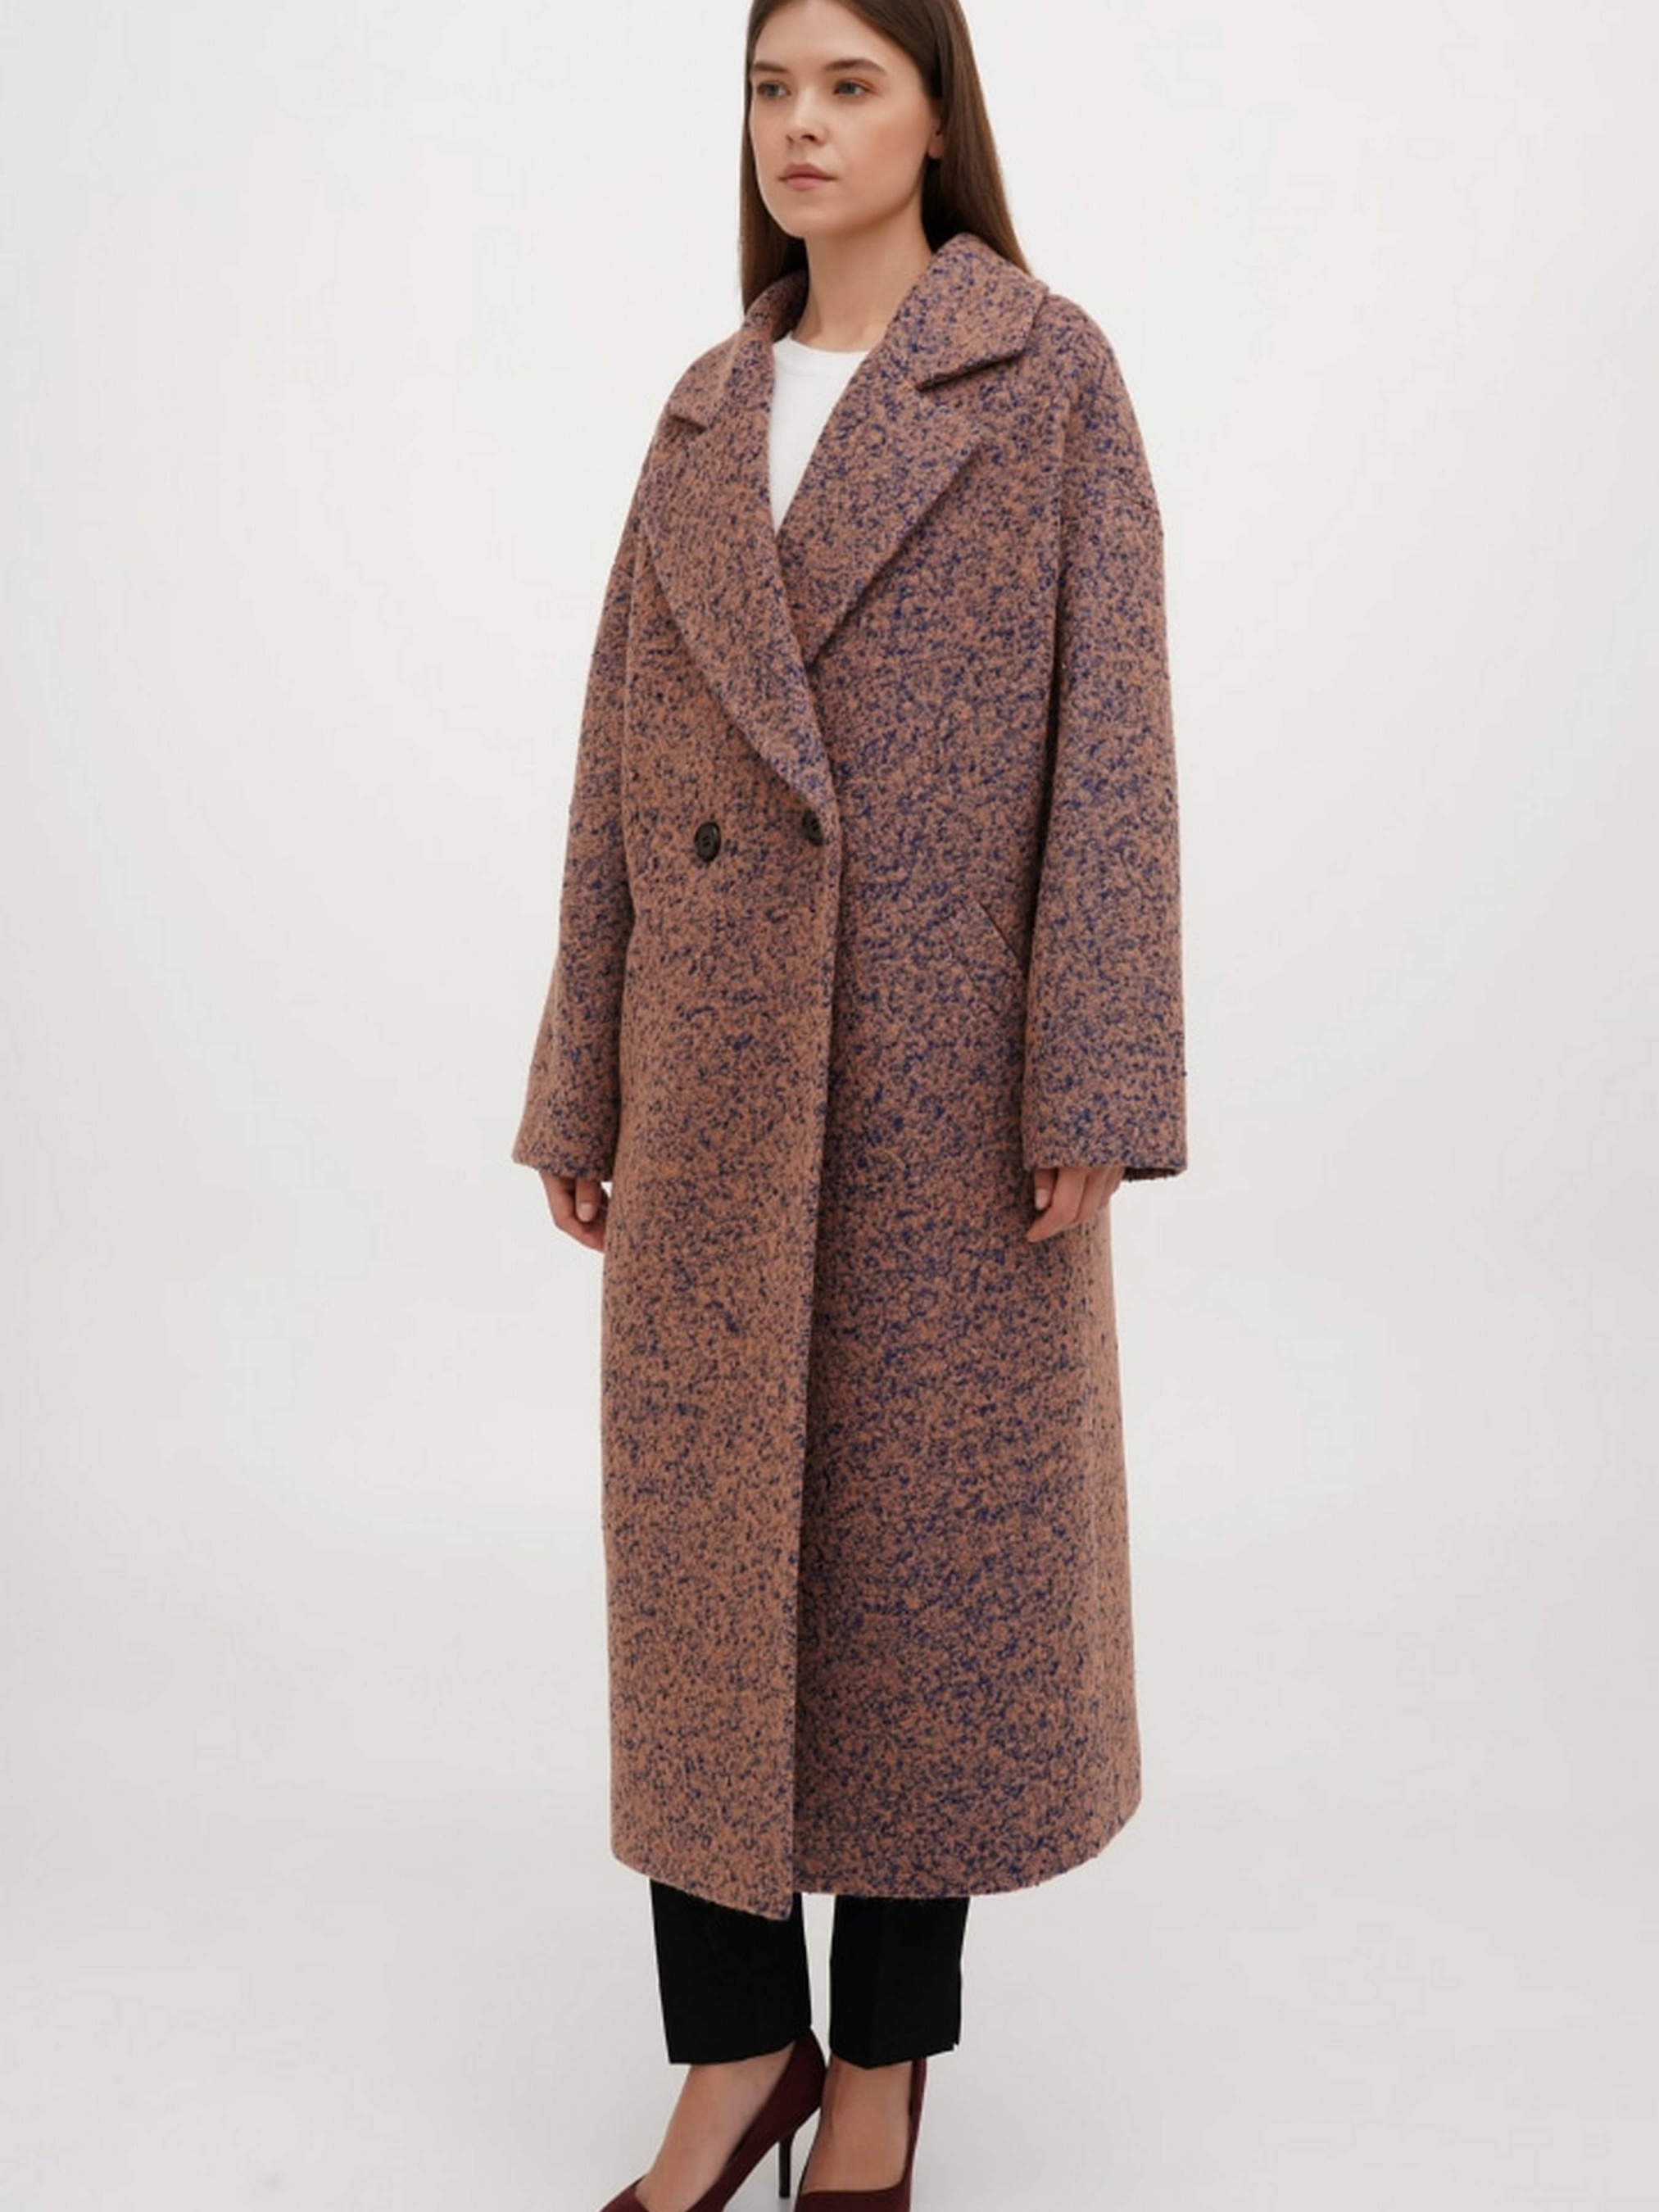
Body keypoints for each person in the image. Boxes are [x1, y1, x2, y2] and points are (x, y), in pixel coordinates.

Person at [509, 2, 1187, 2207]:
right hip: (714, 1085)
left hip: (938, 1095)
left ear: (932, 114)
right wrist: (583, 1074)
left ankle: (880, 2063)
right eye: (768, 88)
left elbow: (1113, 746)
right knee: (700, 1588)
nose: (798, 127)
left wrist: (1092, 1069)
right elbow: (617, 763)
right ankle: (735, 2053)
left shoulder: (1044, 376)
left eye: (847, 84)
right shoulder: (703, 410)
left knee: (928, 1591)